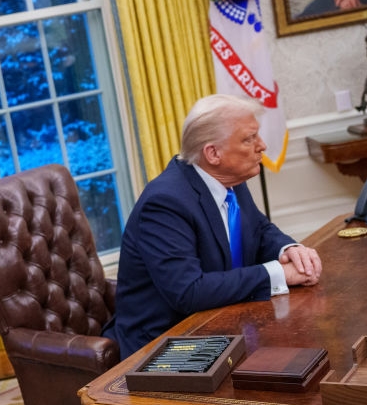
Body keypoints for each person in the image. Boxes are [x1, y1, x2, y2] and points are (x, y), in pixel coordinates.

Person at [106, 94, 322, 359]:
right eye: (249, 138)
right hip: (166, 346)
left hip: (225, 324)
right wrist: (279, 274)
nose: (262, 145)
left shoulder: (229, 179)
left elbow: (258, 229)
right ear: (213, 153)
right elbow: (189, 291)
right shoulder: (165, 203)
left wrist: (288, 249)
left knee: (304, 352)